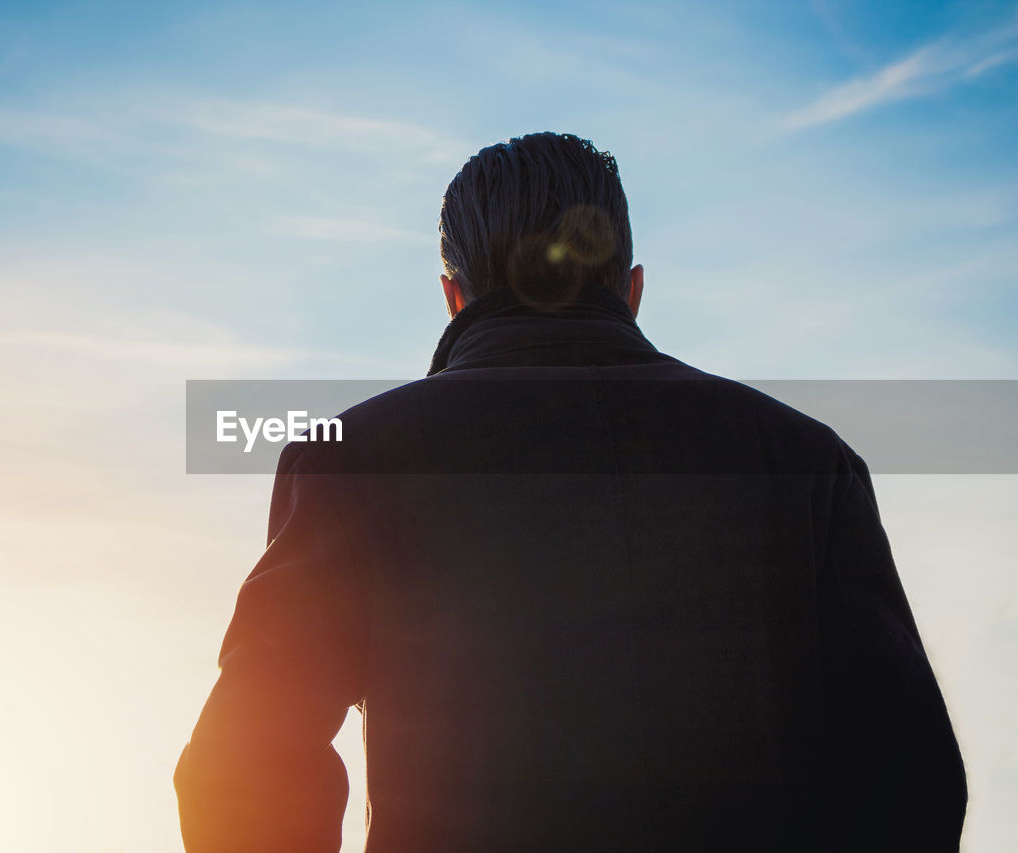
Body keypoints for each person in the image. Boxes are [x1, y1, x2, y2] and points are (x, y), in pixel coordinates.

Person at [173, 132, 967, 852]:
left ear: (453, 295)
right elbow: (911, 786)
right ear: (633, 287)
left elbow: (240, 767)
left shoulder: (356, 462)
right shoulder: (802, 461)